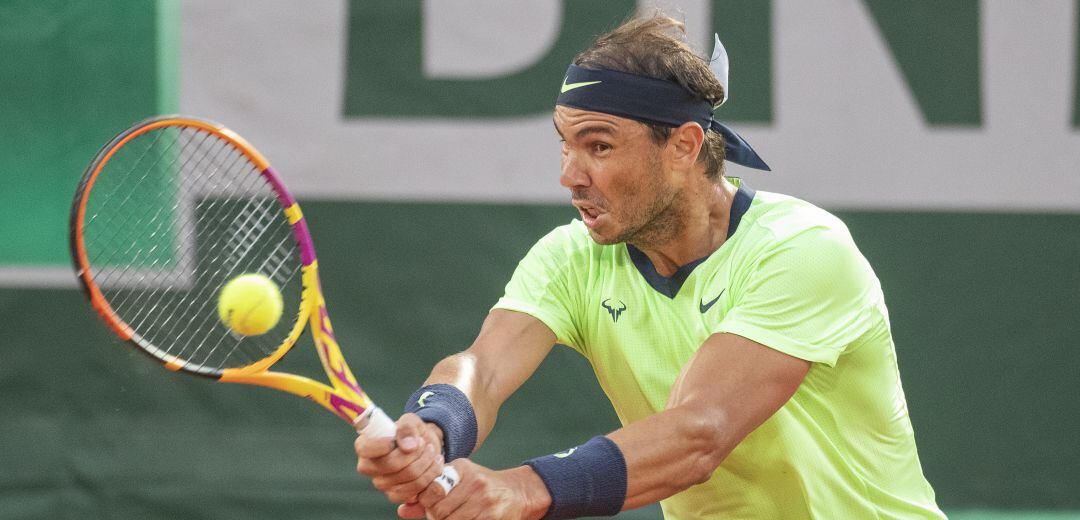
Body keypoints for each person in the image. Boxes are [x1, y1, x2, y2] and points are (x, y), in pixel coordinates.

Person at [354, 13, 946, 520]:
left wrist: (526, 488)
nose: (570, 174)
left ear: (685, 146)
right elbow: (480, 369)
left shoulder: (804, 249)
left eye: (600, 146)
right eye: (565, 143)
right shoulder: (572, 258)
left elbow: (699, 431)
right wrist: (433, 428)